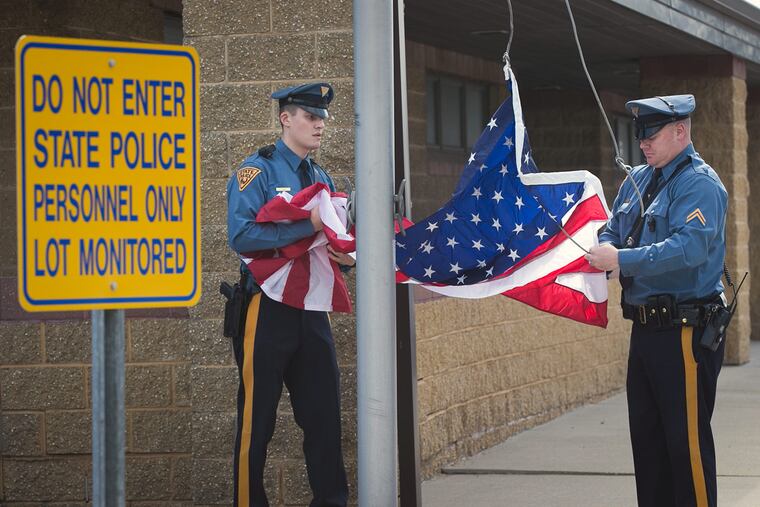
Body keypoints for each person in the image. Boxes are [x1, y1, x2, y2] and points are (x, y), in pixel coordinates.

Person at [586, 94, 728, 507]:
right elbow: (613, 227)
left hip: (685, 332)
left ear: (680, 132)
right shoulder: (643, 180)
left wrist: (623, 260)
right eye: (640, 134)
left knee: (686, 450)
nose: (643, 142)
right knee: (649, 448)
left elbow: (689, 249)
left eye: (652, 133)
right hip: (646, 331)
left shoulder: (699, 183)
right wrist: (610, 250)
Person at [226, 82, 354, 507]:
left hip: (311, 308)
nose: (320, 125)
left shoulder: (321, 176)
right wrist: (310, 223)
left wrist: (345, 256)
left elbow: (332, 240)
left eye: (322, 118)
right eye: (310, 116)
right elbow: (243, 236)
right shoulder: (256, 172)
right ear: (286, 119)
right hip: (266, 307)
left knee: (323, 416)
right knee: (256, 422)